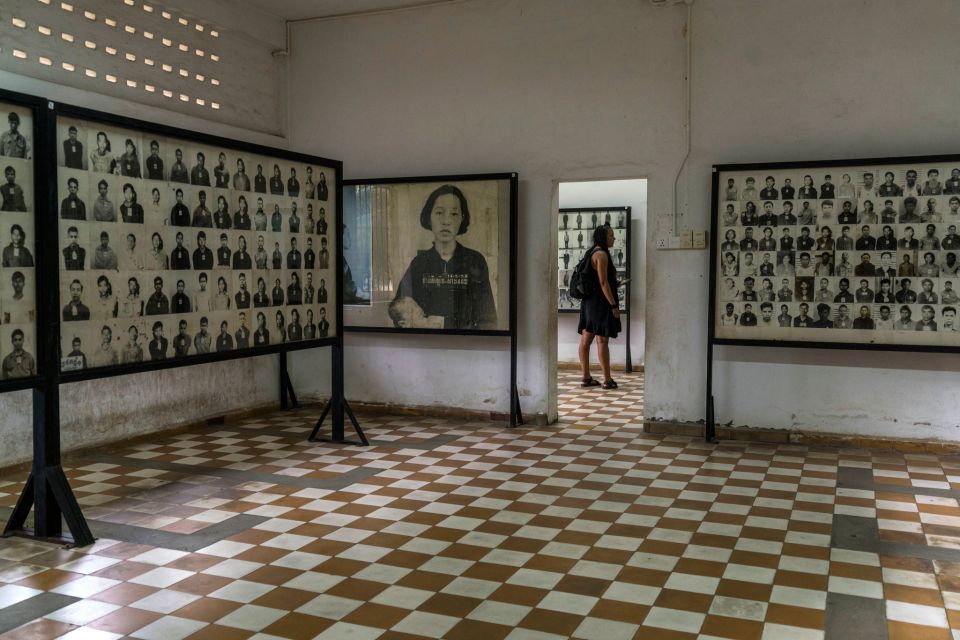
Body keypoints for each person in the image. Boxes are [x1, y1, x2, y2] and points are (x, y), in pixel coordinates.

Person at [577, 225, 621, 389]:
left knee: (586, 339)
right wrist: (613, 305)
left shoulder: (592, 251)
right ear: (603, 237)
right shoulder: (601, 255)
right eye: (611, 235)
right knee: (602, 340)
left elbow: (599, 280)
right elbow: (603, 283)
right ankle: (607, 380)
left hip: (589, 302)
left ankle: (586, 377)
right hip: (599, 303)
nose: (613, 238)